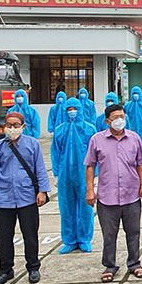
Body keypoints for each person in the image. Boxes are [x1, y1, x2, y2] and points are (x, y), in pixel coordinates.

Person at [0, 112, 51, 284]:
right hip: (4, 197)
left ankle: (33, 267)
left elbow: (40, 169)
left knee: (30, 234)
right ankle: (5, 270)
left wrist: (42, 191)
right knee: (4, 236)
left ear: (23, 126)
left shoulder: (32, 145)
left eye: (15, 125)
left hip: (27, 196)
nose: (12, 129)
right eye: (9, 125)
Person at [86, 103, 142, 280]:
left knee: (134, 231)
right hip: (107, 196)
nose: (120, 120)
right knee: (109, 234)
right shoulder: (97, 140)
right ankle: (109, 266)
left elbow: (141, 164)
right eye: (115, 118)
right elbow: (90, 166)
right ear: (107, 121)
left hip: (131, 194)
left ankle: (134, 263)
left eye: (122, 116)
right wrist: (90, 190)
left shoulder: (135, 138)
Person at [51, 97, 97, 254]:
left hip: (84, 173)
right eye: (68, 109)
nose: (72, 112)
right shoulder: (59, 130)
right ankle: (69, 240)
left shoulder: (89, 129)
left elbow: (95, 153)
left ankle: (84, 239)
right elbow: (55, 152)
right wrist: (56, 173)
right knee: (66, 207)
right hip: (65, 175)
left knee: (85, 206)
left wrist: (95, 174)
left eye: (74, 108)